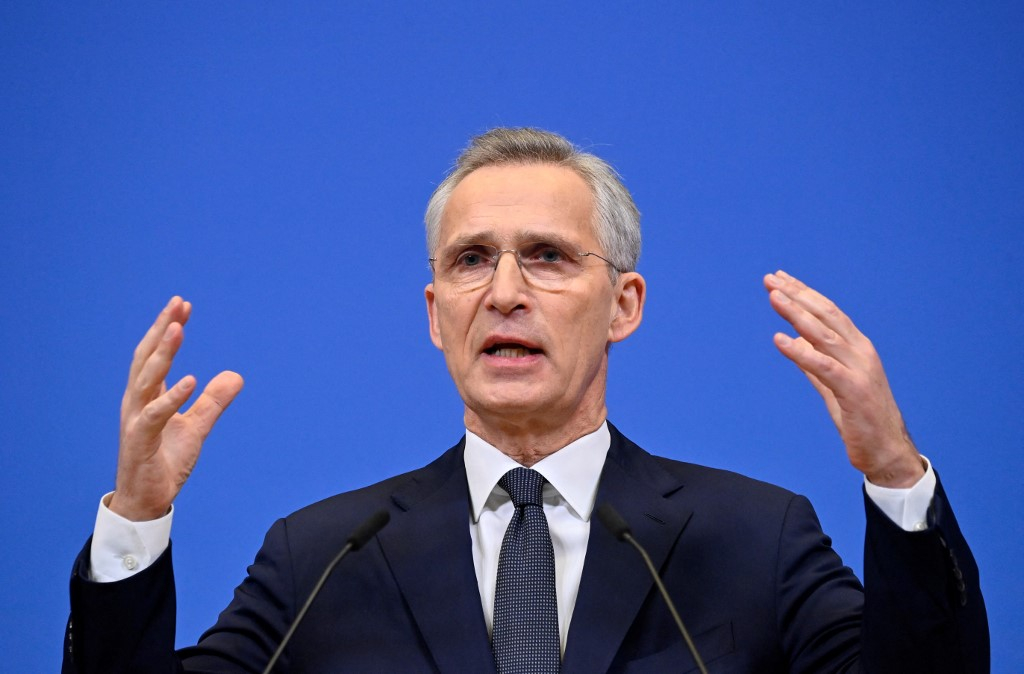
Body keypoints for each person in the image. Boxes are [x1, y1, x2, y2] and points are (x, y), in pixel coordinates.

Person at [63, 128, 988, 673]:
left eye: (547, 256)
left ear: (624, 305)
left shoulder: (755, 538)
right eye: (472, 260)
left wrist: (894, 475)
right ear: (437, 314)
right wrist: (136, 520)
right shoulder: (323, 558)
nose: (505, 292)